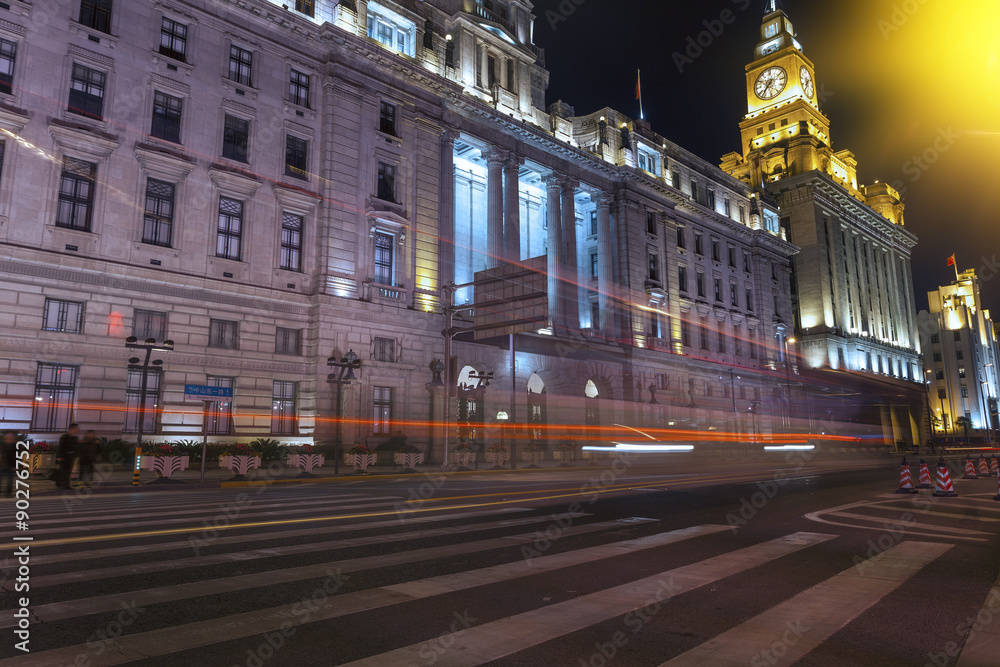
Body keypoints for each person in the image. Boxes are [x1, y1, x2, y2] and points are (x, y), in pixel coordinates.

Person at [56, 423, 79, 490]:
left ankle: (66, 484)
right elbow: (61, 447)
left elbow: (75, 447)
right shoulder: (64, 437)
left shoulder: (74, 438)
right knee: (63, 470)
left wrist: (76, 455)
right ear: (72, 429)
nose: (77, 430)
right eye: (76, 428)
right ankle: (60, 483)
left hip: (71, 456)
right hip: (64, 456)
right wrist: (59, 456)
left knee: (68, 471)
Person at [0, 431, 16, 497]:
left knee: (10, 480)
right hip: (2, 464)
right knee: (0, 479)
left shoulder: (14, 445)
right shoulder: (2, 444)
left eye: (11, 436)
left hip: (11, 465)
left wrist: (15, 465)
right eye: (8, 435)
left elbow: (16, 455)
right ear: (5, 437)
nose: (10, 437)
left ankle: (8, 493)